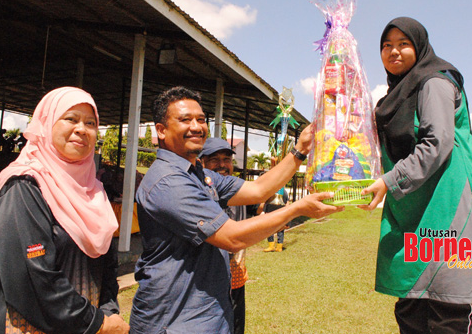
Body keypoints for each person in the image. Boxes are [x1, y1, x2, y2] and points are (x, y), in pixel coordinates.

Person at [130, 86, 343, 334]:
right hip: (175, 321)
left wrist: (300, 149)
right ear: (161, 131)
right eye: (185, 120)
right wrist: (295, 209)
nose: (197, 126)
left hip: (209, 314)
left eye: (201, 119)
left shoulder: (201, 175)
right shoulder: (167, 181)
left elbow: (258, 190)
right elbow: (232, 237)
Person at [360, 17, 472, 333]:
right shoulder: (392, 98)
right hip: (412, 210)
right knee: (412, 305)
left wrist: (389, 181)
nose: (393, 51)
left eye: (403, 43)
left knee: (450, 308)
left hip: (449, 205)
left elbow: (439, 142)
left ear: (419, 46)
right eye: (386, 45)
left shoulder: (435, 81)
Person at [0, 87, 130, 334]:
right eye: (70, 119)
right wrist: (97, 323)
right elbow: (32, 279)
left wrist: (108, 310)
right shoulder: (24, 188)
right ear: (46, 124)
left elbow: (108, 268)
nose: (82, 129)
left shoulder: (94, 193)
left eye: (90, 123)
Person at [200, 137, 247, 334]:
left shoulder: (240, 191)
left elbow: (263, 201)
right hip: (207, 284)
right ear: (201, 163)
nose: (222, 165)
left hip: (236, 278)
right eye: (214, 159)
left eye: (227, 159)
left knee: (236, 327)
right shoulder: (198, 194)